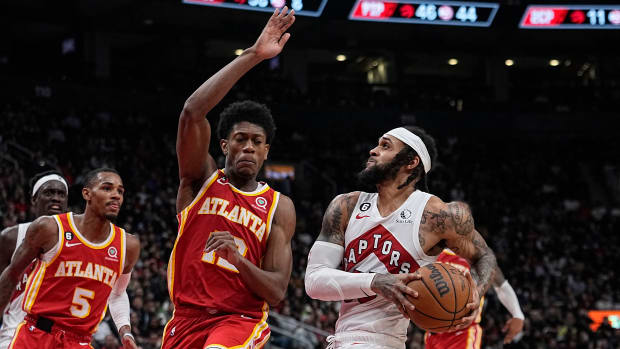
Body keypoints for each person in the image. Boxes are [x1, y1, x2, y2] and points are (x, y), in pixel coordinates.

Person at [161, 7, 296, 349]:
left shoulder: (279, 207)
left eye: (257, 142)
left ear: (266, 152)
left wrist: (239, 261)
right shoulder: (199, 180)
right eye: (240, 139)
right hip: (185, 320)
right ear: (224, 145)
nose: (248, 148)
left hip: (239, 320)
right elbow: (192, 113)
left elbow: (277, 290)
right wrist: (253, 55)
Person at [305, 126, 498, 349]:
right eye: (377, 144)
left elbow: (485, 256)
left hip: (385, 341)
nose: (373, 151)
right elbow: (313, 282)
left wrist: (476, 290)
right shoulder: (346, 205)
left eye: (385, 146)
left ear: (411, 162)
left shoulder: (437, 215)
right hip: (341, 338)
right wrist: (376, 281)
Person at [0, 168, 140, 349]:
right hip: (36, 334)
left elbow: (118, 293)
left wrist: (125, 331)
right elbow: (11, 275)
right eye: (107, 188)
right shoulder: (45, 229)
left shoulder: (127, 246)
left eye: (120, 191)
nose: (115, 195)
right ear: (86, 194)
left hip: (79, 341)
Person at [0, 171, 69, 348]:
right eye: (49, 193)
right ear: (33, 200)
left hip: (60, 339)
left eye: (61, 194)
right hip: (16, 333)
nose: (56, 198)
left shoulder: (78, 241)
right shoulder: (11, 237)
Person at [424, 249, 524, 348]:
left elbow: (501, 285)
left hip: (462, 334)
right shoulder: (432, 252)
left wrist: (518, 314)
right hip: (432, 332)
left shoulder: (479, 256)